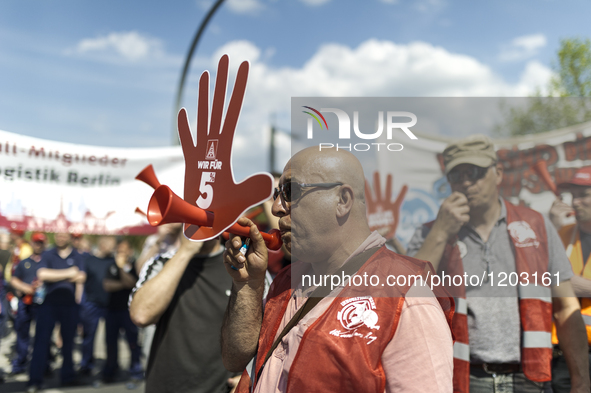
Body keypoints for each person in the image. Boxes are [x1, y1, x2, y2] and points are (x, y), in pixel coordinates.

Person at [222, 147, 454, 392]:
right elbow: (234, 358)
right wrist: (247, 285)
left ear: (343, 200)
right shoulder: (286, 280)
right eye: (278, 194)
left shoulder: (405, 298)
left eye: (291, 192)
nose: (276, 208)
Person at [407, 135, 590, 393]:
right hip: (463, 378)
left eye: (475, 172)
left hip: (530, 377)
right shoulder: (432, 231)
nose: (466, 182)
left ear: (499, 173)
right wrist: (440, 232)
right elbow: (406, 296)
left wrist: (581, 381)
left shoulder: (536, 225)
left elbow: (565, 308)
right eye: (456, 175)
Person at [129, 236, 239, 393]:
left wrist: (248, 375)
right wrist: (185, 251)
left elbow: (267, 330)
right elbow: (141, 315)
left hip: (224, 387)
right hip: (168, 387)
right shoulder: (162, 262)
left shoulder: (241, 264)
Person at [548, 166, 591, 392]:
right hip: (565, 352)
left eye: (583, 195)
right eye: (573, 195)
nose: (575, 202)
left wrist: (569, 283)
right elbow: (543, 276)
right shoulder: (560, 233)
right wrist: (550, 227)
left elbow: (561, 282)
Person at [27, 232, 86, 392]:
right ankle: (35, 380)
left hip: (70, 305)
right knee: (41, 342)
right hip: (48, 305)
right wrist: (69, 273)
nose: (61, 238)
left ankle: (68, 377)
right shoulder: (48, 254)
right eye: (58, 235)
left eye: (64, 235)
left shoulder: (77, 255)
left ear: (69, 237)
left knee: (68, 343)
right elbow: (42, 274)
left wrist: (55, 276)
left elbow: (81, 277)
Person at [102, 238, 143, 383]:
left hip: (128, 311)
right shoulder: (110, 266)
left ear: (129, 252)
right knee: (111, 343)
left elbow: (132, 283)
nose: (120, 254)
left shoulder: (133, 266)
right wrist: (122, 283)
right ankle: (110, 371)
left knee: (132, 342)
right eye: (118, 251)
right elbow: (107, 285)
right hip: (112, 310)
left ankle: (135, 370)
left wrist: (121, 270)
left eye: (123, 252)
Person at [78, 236, 116, 376]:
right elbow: (81, 282)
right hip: (91, 304)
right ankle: (86, 364)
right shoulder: (89, 261)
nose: (113, 248)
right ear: (102, 244)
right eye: (111, 245)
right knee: (88, 336)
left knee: (111, 338)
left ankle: (111, 367)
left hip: (111, 305)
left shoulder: (114, 262)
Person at [9, 232, 46, 375]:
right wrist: (25, 288)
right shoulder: (24, 262)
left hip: (42, 304)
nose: (38, 245)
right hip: (26, 302)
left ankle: (44, 364)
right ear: (31, 243)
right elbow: (14, 279)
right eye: (36, 242)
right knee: (22, 334)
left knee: (43, 335)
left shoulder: (47, 262)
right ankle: (20, 363)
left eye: (41, 242)